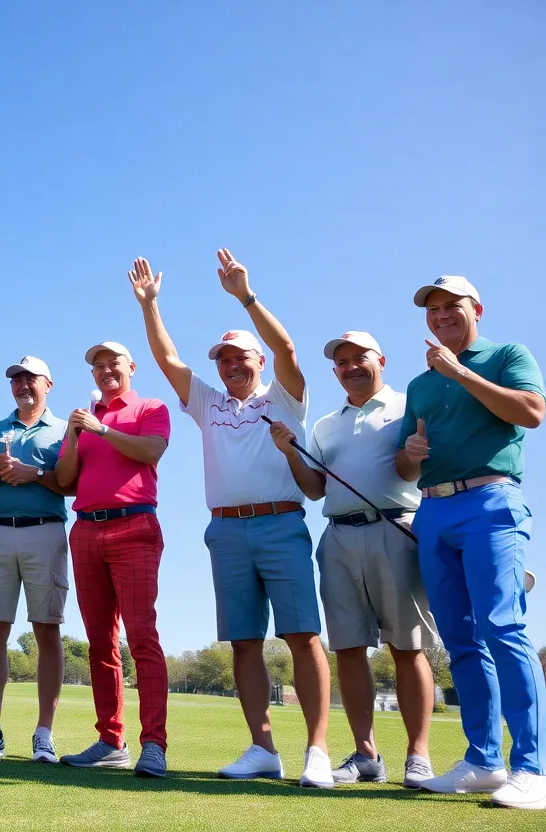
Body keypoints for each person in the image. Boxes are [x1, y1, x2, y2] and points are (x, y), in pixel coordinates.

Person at [131, 251, 334, 788]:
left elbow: (287, 348)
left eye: (240, 356)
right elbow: (167, 359)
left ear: (258, 361)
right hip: (225, 530)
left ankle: (316, 750)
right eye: (223, 360)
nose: (230, 366)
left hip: (281, 523)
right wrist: (150, 306)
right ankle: (263, 749)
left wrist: (245, 297)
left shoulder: (284, 398)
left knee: (302, 636)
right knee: (244, 641)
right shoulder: (209, 403)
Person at [396, 276, 546, 810]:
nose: (440, 314)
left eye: (451, 305)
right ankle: (484, 761)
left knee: (502, 627)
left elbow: (531, 412)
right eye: (432, 308)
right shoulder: (419, 384)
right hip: (434, 510)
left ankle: (533, 768)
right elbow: (404, 466)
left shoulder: (507, 355)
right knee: (460, 640)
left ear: (476, 309)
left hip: (491, 501)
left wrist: (459, 372)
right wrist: (411, 453)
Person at [269, 331, 438, 788]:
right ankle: (367, 755)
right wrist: (290, 452)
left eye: (359, 357)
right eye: (341, 362)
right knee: (347, 647)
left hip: (396, 529)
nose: (350, 367)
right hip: (339, 536)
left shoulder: (408, 406)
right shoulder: (326, 424)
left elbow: (413, 466)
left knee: (407, 647)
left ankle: (418, 756)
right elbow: (314, 489)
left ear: (380, 360)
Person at [54, 343, 172, 777]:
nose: (105, 371)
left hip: (134, 526)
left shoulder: (150, 407)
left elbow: (151, 451)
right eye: (98, 366)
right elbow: (65, 479)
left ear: (131, 367)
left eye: (113, 364)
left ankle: (153, 744)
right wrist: (74, 434)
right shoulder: (83, 420)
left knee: (142, 637)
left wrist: (100, 430)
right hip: (86, 529)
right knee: (100, 642)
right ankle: (110, 740)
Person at [0, 356, 72, 764]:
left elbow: (72, 483)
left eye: (30, 378)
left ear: (48, 384)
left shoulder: (66, 430)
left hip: (45, 531)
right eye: (16, 379)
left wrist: (34, 474)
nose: (23, 384)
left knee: (47, 629)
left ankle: (44, 734)